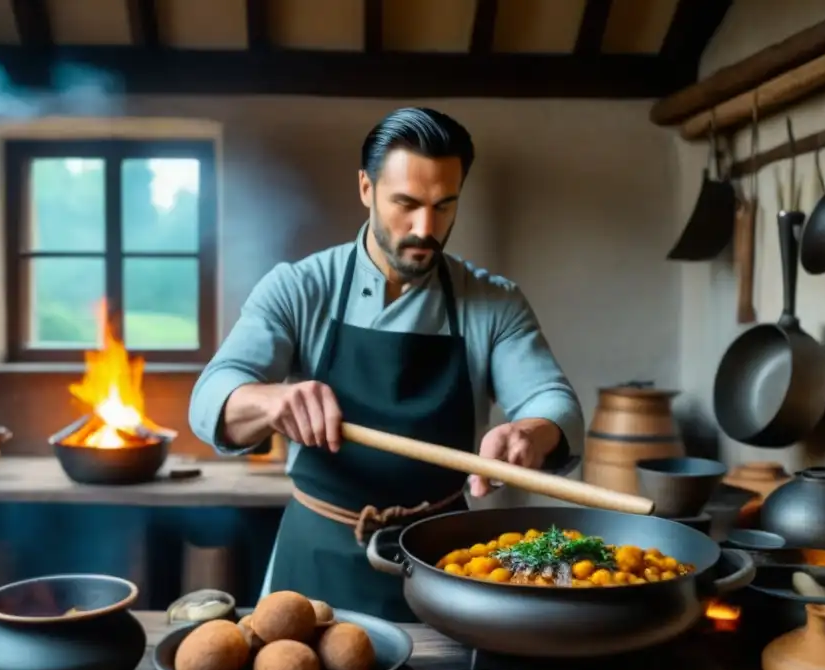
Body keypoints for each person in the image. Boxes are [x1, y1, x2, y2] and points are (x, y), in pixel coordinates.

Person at [189, 107, 584, 621]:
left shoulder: (494, 303)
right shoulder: (301, 288)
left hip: (443, 560)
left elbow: (555, 402)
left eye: (445, 206)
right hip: (313, 562)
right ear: (365, 189)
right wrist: (271, 400)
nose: (426, 228)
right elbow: (211, 397)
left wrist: (533, 431)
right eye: (407, 204)